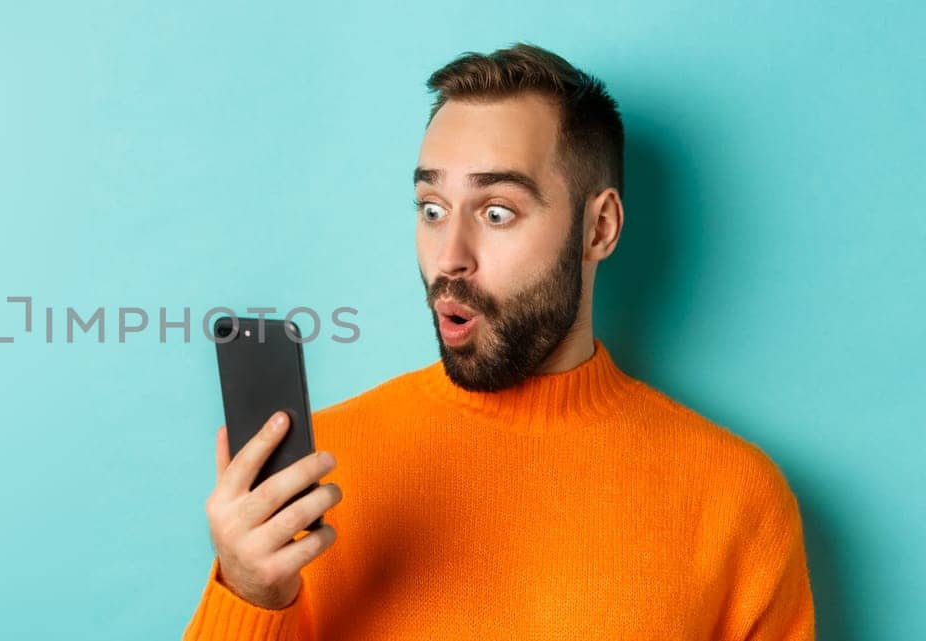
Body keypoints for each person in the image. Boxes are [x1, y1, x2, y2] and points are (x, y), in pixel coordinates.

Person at [184, 43, 816, 640]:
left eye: (496, 212)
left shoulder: (736, 499)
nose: (449, 259)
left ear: (599, 228)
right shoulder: (311, 480)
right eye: (432, 208)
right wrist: (247, 594)